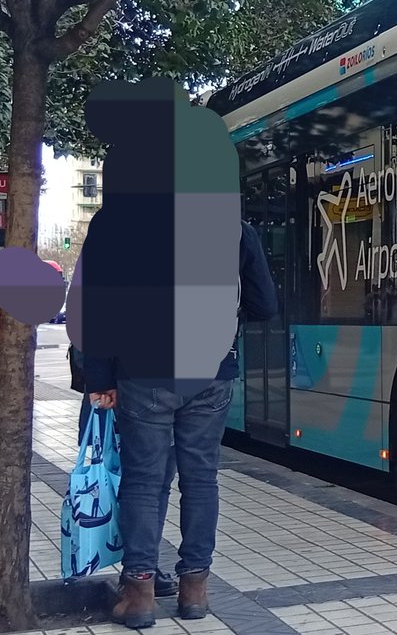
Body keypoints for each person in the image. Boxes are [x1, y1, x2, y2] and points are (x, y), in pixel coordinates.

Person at [86, 220, 277, 628]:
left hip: (144, 370)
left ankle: (139, 595)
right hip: (211, 372)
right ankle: (194, 591)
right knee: (202, 478)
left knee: (143, 480)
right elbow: (265, 305)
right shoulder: (234, 228)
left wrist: (100, 378)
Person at [68, 346, 179, 599]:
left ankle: (142, 570)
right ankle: (142, 570)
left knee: (149, 485)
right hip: (126, 391)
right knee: (150, 486)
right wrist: (102, 380)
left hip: (129, 388)